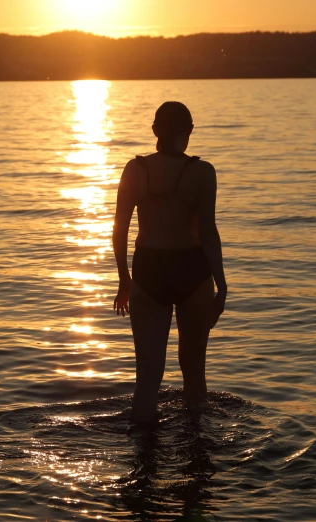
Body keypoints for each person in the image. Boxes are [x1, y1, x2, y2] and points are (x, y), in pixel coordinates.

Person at [112, 101, 227, 426]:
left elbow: (119, 228)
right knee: (194, 374)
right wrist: (221, 284)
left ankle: (143, 456)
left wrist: (124, 278)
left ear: (154, 132)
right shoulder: (202, 172)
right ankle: (196, 454)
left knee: (147, 377)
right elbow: (208, 232)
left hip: (148, 272)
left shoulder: (135, 170)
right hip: (193, 273)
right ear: (188, 131)